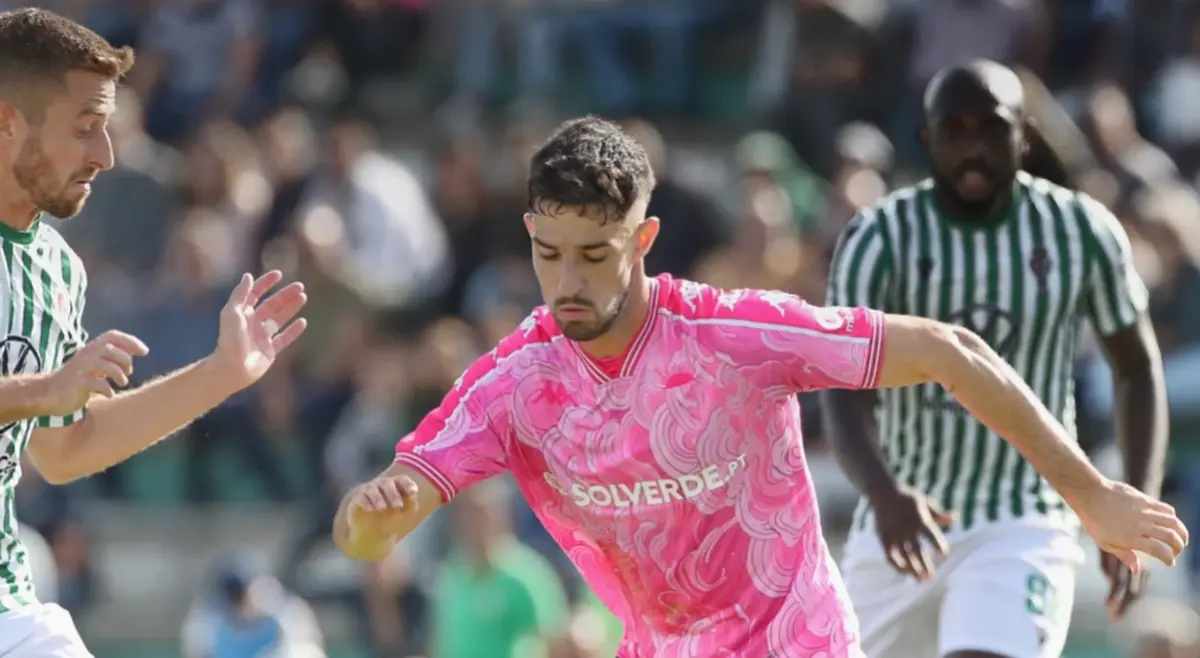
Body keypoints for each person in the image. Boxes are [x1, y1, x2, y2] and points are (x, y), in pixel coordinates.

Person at [332, 116, 1187, 658]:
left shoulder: (734, 338)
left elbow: (951, 350)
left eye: (595, 255)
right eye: (549, 253)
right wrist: (378, 517)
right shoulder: (514, 385)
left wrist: (1089, 493)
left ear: (645, 239)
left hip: (798, 643)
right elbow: (376, 527)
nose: (569, 281)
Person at [821, 59, 1172, 658]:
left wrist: (1130, 504)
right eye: (954, 131)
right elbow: (843, 383)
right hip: (905, 517)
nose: (973, 147)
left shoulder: (1080, 231)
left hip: (1025, 517)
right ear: (929, 141)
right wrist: (881, 492)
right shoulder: (878, 238)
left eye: (990, 128)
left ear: (1023, 135)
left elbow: (1136, 367)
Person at [0, 9, 307, 656]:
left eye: (107, 130)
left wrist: (221, 373)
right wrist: (41, 390)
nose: (106, 155)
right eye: (86, 129)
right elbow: (44, 397)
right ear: (7, 122)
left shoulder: (55, 270)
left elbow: (65, 450)